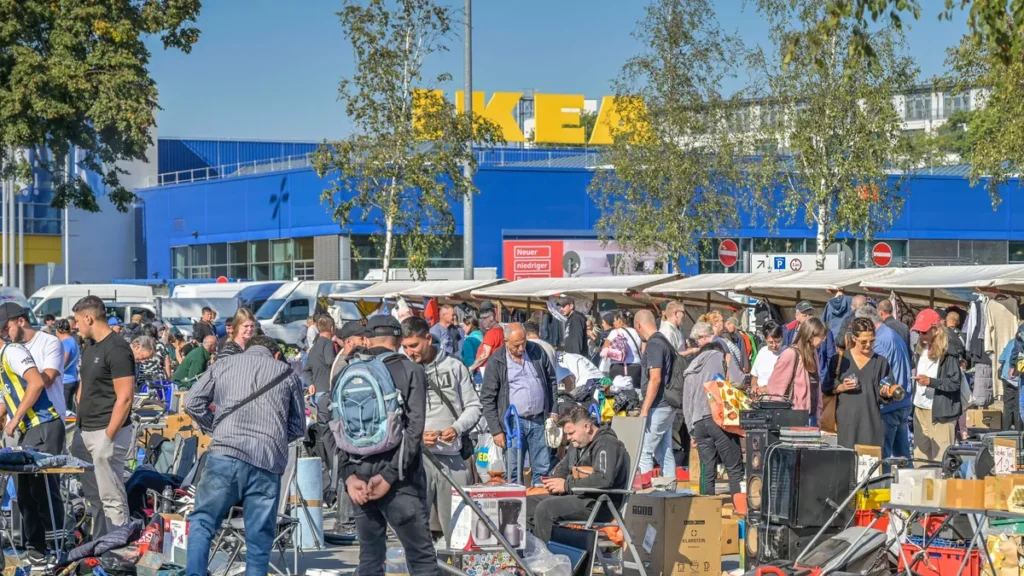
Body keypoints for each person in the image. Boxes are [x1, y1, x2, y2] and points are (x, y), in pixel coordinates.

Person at [184, 335, 305, 576]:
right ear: (276, 354)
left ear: (245, 349)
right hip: (266, 460)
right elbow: (298, 427)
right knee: (259, 537)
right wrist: (273, 439)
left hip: (225, 453)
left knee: (204, 521)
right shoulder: (287, 373)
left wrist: (213, 428)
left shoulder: (223, 364)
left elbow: (191, 402)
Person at [337, 316, 438, 576]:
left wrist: (349, 477)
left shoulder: (348, 372)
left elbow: (334, 430)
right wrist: (390, 476)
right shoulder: (411, 370)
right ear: (400, 341)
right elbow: (414, 432)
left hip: (359, 479)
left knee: (370, 560)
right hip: (400, 481)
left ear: (367, 340)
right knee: (421, 559)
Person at [400, 316, 481, 548]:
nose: (410, 352)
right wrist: (415, 434)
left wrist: (456, 429)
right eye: (405, 347)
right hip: (417, 460)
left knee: (457, 530)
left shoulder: (455, 367)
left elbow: (474, 406)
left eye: (414, 346)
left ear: (428, 338)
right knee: (416, 531)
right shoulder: (404, 371)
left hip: (453, 460)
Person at [0, 303, 65, 566]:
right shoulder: (6, 357)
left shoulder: (14, 351)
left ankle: (57, 547)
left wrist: (14, 420)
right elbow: (6, 400)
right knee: (24, 493)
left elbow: (39, 382)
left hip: (46, 424)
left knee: (44, 489)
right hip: (31, 429)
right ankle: (35, 548)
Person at [70, 295, 134, 537]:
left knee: (112, 497)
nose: (75, 326)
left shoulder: (117, 348)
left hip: (106, 432)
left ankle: (117, 551)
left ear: (89, 318)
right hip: (85, 431)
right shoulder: (90, 346)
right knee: (94, 498)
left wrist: (108, 436)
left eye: (77, 321)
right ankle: (98, 548)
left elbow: (125, 397)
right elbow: (85, 384)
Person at [526, 405, 630, 541]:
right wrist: (554, 482)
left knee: (545, 509)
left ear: (586, 427)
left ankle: (545, 557)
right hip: (579, 497)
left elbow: (603, 479)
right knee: (526, 504)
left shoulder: (607, 443)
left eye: (571, 433)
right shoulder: (577, 444)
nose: (568, 438)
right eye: (567, 434)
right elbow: (563, 468)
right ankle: (533, 550)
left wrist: (566, 485)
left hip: (600, 503)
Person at [480, 322, 558, 484]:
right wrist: (496, 430)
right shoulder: (497, 361)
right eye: (517, 345)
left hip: (539, 420)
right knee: (514, 470)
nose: (521, 348)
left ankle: (538, 503)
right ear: (506, 341)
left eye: (524, 343)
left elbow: (551, 381)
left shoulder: (537, 351)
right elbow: (487, 398)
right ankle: (517, 506)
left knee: (543, 468)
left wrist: (553, 410)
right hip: (513, 424)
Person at [683, 322, 745, 497]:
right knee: (734, 469)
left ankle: (706, 513)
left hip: (698, 423)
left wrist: (692, 432)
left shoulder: (691, 368)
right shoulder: (722, 357)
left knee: (707, 472)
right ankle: (738, 511)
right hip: (718, 417)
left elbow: (686, 404)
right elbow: (738, 381)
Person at [855, 305, 914, 459]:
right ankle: (909, 481)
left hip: (888, 405)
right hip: (902, 401)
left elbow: (873, 374)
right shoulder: (892, 334)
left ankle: (885, 482)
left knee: (882, 458)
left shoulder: (880, 341)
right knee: (903, 456)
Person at [825, 318, 891, 449]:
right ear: (854, 339)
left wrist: (885, 393)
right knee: (846, 464)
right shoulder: (839, 359)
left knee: (869, 465)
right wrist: (840, 387)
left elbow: (885, 391)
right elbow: (826, 386)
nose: (868, 345)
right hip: (846, 424)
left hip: (870, 423)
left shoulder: (881, 362)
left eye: (872, 341)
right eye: (863, 342)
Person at [911, 309, 964, 462]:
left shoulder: (949, 352)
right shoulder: (919, 349)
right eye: (919, 331)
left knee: (941, 461)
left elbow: (955, 383)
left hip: (941, 412)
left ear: (936, 329)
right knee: (920, 460)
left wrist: (931, 382)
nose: (921, 335)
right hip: (920, 409)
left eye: (924, 331)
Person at [634, 310, 677, 487]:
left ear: (638, 325)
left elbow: (655, 378)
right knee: (664, 450)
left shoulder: (654, 345)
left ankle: (645, 492)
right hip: (668, 404)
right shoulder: (665, 342)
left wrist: (644, 409)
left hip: (658, 405)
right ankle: (670, 489)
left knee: (644, 450)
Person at [763, 318, 828, 421]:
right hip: (795, 416)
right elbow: (775, 387)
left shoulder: (813, 353)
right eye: (821, 336)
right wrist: (778, 417)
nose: (824, 339)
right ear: (811, 335)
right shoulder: (791, 354)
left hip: (812, 414)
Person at [782, 301, 837, 407]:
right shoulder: (788, 331)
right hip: (797, 390)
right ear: (796, 316)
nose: (808, 317)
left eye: (811, 314)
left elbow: (831, 356)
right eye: (805, 315)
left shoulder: (824, 332)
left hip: (817, 383)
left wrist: (825, 380)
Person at [602, 310, 642, 389]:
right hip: (636, 366)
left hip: (619, 367)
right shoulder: (638, 332)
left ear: (619, 320)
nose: (613, 323)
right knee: (634, 392)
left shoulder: (615, 332)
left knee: (616, 393)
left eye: (614, 320)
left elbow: (604, 349)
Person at [303, 315, 336, 396]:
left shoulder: (314, 346)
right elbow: (330, 361)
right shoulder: (328, 343)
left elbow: (306, 370)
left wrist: (310, 383)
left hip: (315, 391)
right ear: (332, 328)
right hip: (326, 390)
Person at [469, 303, 504, 374]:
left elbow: (484, 355)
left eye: (484, 318)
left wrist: (471, 368)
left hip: (485, 371)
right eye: (480, 318)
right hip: (495, 370)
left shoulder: (491, 333)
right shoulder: (500, 329)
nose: (482, 321)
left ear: (491, 317)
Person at [750, 321, 785, 389]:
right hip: (760, 395)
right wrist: (754, 386)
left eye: (777, 342)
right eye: (771, 342)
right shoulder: (762, 351)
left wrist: (766, 389)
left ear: (782, 337)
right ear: (765, 339)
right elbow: (755, 376)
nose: (774, 345)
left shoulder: (786, 353)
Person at [56, 318, 81, 412]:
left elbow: (62, 363)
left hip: (65, 381)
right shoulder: (73, 341)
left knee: (64, 412)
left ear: (57, 330)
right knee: (69, 410)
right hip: (73, 379)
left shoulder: (65, 343)